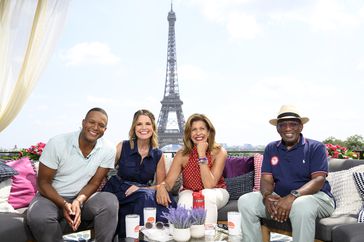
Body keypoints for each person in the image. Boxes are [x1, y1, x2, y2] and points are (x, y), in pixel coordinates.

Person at [238, 104, 335, 242]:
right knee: (246, 201)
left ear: (301, 126)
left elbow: (318, 180)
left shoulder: (315, 147)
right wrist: (267, 196)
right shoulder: (271, 148)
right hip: (281, 198)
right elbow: (266, 179)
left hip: (317, 198)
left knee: (301, 205)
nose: (288, 128)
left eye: (293, 124)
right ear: (277, 128)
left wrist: (292, 197)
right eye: (282, 125)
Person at [27, 107, 118, 242]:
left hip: (82, 198)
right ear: (83, 122)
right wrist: (64, 204)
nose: (95, 127)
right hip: (50, 197)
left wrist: (78, 201)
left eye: (101, 125)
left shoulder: (108, 149)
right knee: (38, 216)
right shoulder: (57, 143)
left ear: (105, 130)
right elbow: (43, 183)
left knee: (110, 201)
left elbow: (94, 182)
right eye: (91, 122)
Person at [102, 109, 177, 238]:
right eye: (139, 124)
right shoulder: (122, 146)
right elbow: (103, 171)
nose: (143, 128)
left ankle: (141, 237)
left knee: (166, 201)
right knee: (145, 198)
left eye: (147, 124)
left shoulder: (158, 154)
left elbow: (160, 185)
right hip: (119, 189)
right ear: (134, 127)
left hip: (139, 192)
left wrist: (142, 188)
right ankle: (146, 237)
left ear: (153, 127)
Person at [156, 113, 229, 224]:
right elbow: (169, 183)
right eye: (194, 129)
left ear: (208, 132)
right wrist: (161, 186)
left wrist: (201, 154)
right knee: (185, 200)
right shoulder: (182, 154)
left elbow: (209, 185)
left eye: (202, 129)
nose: (198, 133)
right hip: (189, 191)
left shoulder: (219, 152)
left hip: (216, 191)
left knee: (206, 195)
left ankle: (208, 237)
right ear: (189, 134)